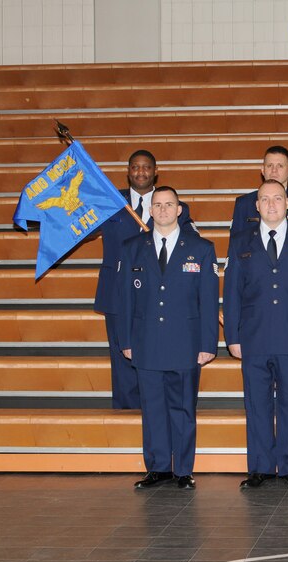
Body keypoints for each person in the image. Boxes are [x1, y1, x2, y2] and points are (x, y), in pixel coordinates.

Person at [223, 179, 288, 489]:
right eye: (265, 199)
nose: (271, 204)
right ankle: (260, 467)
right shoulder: (240, 240)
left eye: (277, 199)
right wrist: (232, 335)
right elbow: (231, 292)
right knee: (257, 404)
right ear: (256, 205)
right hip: (253, 337)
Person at [117, 186, 219, 490]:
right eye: (157, 204)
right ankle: (158, 467)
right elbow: (124, 300)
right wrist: (126, 341)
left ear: (179, 210)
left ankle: (183, 470)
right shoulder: (132, 247)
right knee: (152, 409)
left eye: (169, 204)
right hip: (146, 342)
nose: (162, 209)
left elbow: (209, 300)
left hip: (185, 343)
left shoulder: (201, 248)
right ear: (150, 210)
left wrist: (208, 344)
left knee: (184, 408)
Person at [94, 150, 194, 409]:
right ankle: (127, 420)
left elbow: (188, 244)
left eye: (146, 167)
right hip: (117, 293)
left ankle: (156, 415)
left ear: (155, 171)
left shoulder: (169, 204)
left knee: (155, 360)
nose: (141, 172)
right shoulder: (110, 200)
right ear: (128, 172)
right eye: (135, 167)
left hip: (157, 296)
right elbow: (83, 227)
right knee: (122, 360)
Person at [229, 145, 288, 237]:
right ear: (262, 170)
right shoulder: (243, 204)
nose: (274, 170)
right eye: (269, 166)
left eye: (280, 166)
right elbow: (235, 245)